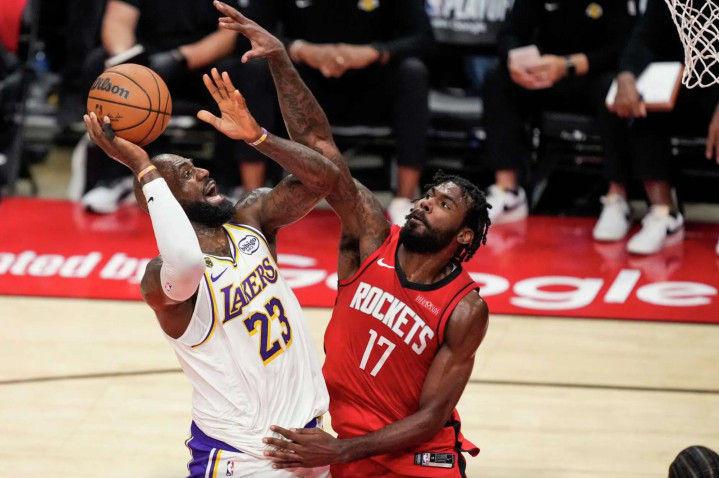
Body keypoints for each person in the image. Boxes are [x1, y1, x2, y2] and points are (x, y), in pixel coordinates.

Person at [215, 3, 490, 476]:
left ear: (464, 234)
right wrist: (279, 63)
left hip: (416, 455)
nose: (426, 203)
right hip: (346, 446)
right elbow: (321, 151)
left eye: (443, 204)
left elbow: (430, 417)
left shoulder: (465, 309)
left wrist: (340, 452)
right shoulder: (371, 236)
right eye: (428, 195)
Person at [83, 68, 337, 477]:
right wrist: (141, 165)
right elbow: (187, 262)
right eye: (186, 174)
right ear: (164, 199)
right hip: (244, 455)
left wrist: (258, 137)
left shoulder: (251, 219)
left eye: (195, 166)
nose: (202, 172)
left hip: (310, 440)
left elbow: (325, 177)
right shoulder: (161, 280)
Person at [243, 0, 435, 225]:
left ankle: (404, 200)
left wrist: (376, 52)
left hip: (369, 87)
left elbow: (424, 39)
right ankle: (253, 198)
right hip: (301, 86)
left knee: (413, 73)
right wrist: (299, 49)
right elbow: (247, 34)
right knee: (256, 69)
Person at [80, 0, 273, 213]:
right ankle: (115, 177)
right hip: (146, 63)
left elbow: (230, 33)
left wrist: (181, 57)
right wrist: (125, 59)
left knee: (249, 72)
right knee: (99, 64)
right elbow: (118, 21)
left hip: (203, 62)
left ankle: (230, 182)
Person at [483, 0, 635, 224]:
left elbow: (623, 47)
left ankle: (617, 197)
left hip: (592, 72)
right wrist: (514, 60)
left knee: (612, 88)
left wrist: (571, 64)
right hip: (545, 74)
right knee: (497, 78)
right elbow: (510, 33)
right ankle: (508, 191)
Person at [601, 0, 719, 255]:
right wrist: (626, 74)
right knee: (642, 97)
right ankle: (664, 214)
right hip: (691, 82)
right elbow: (644, 37)